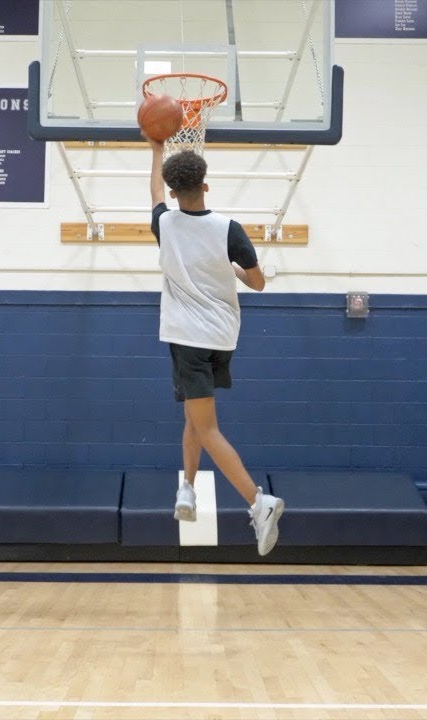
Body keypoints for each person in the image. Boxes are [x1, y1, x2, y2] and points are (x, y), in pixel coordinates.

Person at [146, 134, 285, 556]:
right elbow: (258, 283)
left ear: (173, 192)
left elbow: (153, 190)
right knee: (195, 413)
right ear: (206, 184)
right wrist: (235, 272)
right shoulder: (230, 229)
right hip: (223, 337)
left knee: (206, 427)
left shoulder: (164, 223)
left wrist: (156, 147)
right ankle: (186, 489)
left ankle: (257, 502)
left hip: (187, 337)